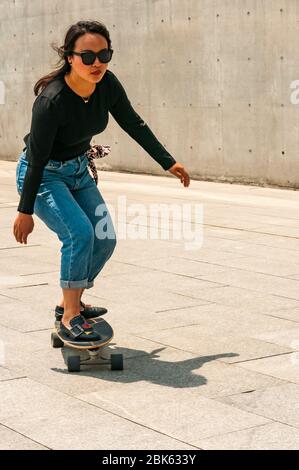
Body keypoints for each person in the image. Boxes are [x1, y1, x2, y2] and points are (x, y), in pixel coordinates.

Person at [13, 20, 190, 342]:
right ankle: (70, 314)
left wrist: (168, 162)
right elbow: (37, 158)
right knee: (80, 233)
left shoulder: (107, 84)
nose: (97, 64)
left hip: (78, 170)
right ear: (70, 57)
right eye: (88, 56)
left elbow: (133, 123)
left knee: (104, 238)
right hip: (43, 175)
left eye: (104, 54)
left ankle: (70, 301)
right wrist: (25, 211)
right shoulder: (51, 101)